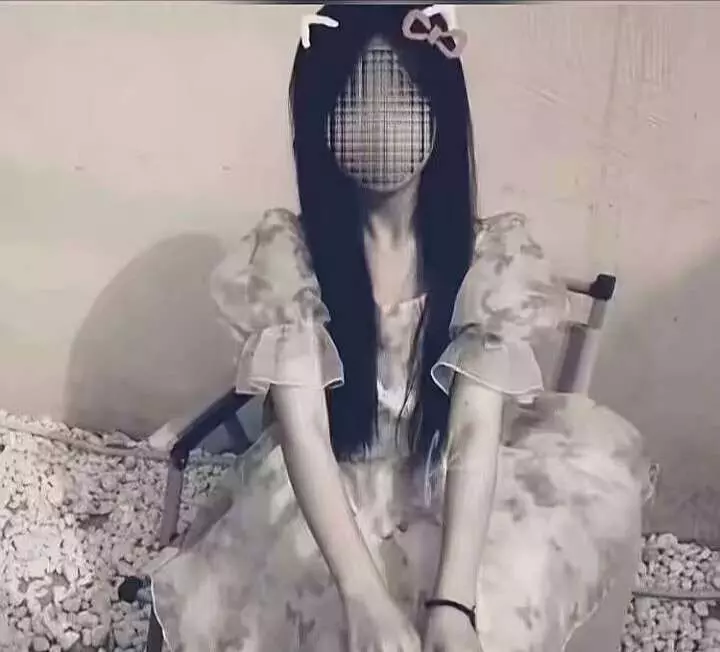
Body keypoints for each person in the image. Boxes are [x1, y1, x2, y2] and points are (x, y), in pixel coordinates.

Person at [150, 5, 649, 651]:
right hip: (333, 480)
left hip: (453, 476)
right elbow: (305, 430)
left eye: (403, 96)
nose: (379, 124)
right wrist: (361, 596)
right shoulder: (290, 258)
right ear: (318, 118)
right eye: (351, 100)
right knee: (328, 615)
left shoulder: (488, 259)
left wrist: (454, 603)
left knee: (498, 604)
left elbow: (474, 431)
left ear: (441, 107)